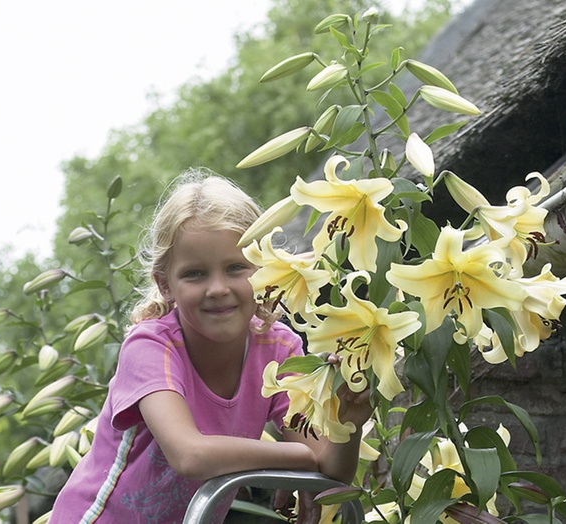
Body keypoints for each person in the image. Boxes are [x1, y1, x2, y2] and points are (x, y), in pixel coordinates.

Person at [49, 170, 371, 524]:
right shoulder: (151, 347)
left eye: (236, 268)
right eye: (195, 274)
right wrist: (297, 457)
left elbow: (330, 470)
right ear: (165, 284)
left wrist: (348, 426)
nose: (217, 288)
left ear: (265, 271)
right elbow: (190, 455)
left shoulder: (278, 350)